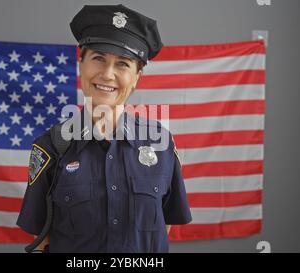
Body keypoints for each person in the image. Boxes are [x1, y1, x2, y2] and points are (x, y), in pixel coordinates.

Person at [17, 4, 192, 253]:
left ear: (137, 77)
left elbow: (164, 226)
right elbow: (42, 238)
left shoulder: (160, 143)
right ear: (81, 63)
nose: (107, 74)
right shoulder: (51, 146)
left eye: (123, 64)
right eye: (98, 58)